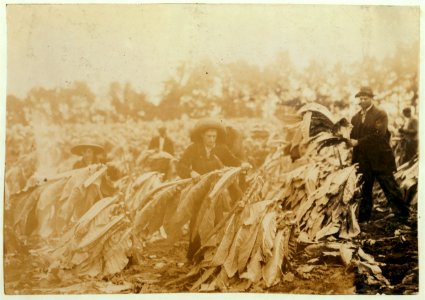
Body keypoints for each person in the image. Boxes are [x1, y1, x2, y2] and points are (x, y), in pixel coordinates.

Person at [177, 118, 250, 260]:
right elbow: (181, 166)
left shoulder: (221, 149)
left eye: (214, 136)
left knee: (217, 220)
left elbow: (232, 161)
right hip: (198, 190)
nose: (212, 139)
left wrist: (243, 164)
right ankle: (193, 257)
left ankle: (213, 255)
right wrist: (191, 173)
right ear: (201, 136)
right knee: (197, 222)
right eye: (209, 136)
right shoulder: (193, 148)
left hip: (215, 192)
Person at [349, 87, 409, 225]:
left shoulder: (380, 114)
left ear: (371, 98)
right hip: (364, 160)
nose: (363, 101)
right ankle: (364, 218)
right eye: (361, 98)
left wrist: (358, 142)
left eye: (366, 98)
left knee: (389, 186)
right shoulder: (356, 118)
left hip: (380, 157)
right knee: (365, 189)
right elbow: (352, 136)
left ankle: (403, 215)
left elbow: (378, 135)